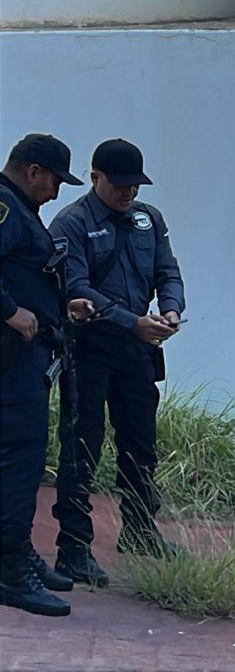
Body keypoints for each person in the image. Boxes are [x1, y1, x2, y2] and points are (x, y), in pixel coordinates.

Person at [49, 139, 184, 586]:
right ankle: (73, 546)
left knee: (140, 444)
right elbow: (76, 286)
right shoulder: (71, 223)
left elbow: (167, 270)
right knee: (82, 448)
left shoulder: (150, 220)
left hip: (138, 351)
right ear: (95, 179)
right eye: (119, 185)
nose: (128, 194)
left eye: (134, 186)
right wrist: (132, 323)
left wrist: (171, 309)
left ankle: (141, 529)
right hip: (89, 349)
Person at [1, 134, 88, 616]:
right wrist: (12, 311)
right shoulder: (6, 208)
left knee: (22, 460)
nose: (57, 192)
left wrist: (60, 307)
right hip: (10, 362)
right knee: (20, 458)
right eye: (55, 180)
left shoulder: (18, 208)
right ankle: (10, 567)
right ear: (33, 171)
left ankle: (17, 552)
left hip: (26, 358)